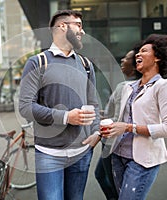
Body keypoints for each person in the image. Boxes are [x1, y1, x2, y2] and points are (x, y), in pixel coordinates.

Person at [19, 10, 101, 200]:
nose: (83, 31)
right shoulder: (38, 62)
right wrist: (65, 117)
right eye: (78, 25)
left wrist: (96, 132)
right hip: (49, 154)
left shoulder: (86, 64)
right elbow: (25, 107)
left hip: (81, 152)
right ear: (62, 26)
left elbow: (93, 104)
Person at [100, 34, 167, 200]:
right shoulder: (128, 87)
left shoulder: (163, 86)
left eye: (144, 51)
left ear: (157, 57)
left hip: (142, 161)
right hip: (118, 156)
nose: (137, 54)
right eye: (138, 51)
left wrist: (130, 127)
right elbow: (116, 118)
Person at [95, 47, 142, 200]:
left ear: (136, 65)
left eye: (127, 58)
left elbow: (116, 118)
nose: (123, 60)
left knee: (114, 184)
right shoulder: (140, 86)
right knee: (102, 175)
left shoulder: (124, 87)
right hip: (127, 143)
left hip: (113, 142)